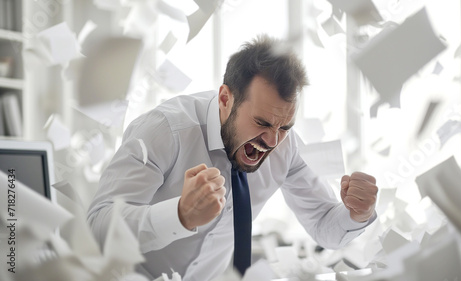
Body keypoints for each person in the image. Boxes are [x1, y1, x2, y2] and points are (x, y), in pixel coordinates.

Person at [87, 35, 378, 281]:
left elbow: (325, 227)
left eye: (285, 127)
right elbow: (98, 226)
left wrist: (358, 213)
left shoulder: (286, 147)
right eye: (262, 123)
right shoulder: (165, 130)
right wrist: (179, 216)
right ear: (226, 99)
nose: (272, 142)